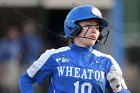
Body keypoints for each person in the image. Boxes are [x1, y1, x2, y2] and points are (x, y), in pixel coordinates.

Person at [19, 5, 131, 93]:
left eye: (97, 27)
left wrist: (118, 89)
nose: (94, 31)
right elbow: (26, 79)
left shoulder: (108, 62)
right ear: (73, 27)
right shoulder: (53, 56)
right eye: (88, 25)